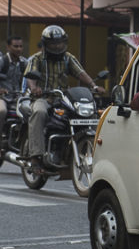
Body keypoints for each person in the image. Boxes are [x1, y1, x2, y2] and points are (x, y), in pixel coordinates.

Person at [25, 25, 104, 171]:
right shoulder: (37, 59)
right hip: (44, 98)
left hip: (63, 99)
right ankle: (35, 156)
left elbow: (80, 73)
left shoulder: (68, 58)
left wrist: (93, 86)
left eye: (60, 42)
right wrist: (34, 88)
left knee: (89, 114)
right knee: (39, 113)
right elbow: (31, 76)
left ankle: (91, 148)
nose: (57, 46)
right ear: (46, 44)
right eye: (53, 43)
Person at [0, 35, 26, 158]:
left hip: (17, 98)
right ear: (8, 47)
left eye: (20, 46)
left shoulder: (25, 62)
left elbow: (32, 77)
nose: (18, 49)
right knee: (2, 111)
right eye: (15, 46)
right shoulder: (1, 61)